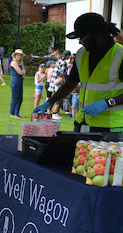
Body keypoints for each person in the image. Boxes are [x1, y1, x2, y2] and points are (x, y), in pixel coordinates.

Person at [34, 12, 123, 141]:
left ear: (96, 34)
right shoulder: (82, 54)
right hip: (83, 123)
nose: (80, 42)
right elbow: (70, 84)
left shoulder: (120, 55)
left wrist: (108, 102)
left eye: (82, 38)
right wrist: (49, 102)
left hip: (111, 128)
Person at [49, 49, 69, 119]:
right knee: (59, 98)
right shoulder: (63, 62)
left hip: (55, 81)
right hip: (59, 82)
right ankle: (54, 113)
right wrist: (61, 79)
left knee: (55, 97)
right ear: (67, 56)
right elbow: (61, 73)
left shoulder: (58, 61)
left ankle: (52, 111)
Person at [9, 48, 27, 118]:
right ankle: (12, 113)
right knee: (15, 97)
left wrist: (22, 68)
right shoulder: (14, 63)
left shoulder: (20, 63)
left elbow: (24, 72)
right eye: (18, 55)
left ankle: (17, 113)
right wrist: (22, 71)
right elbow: (20, 72)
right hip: (15, 80)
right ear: (15, 56)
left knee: (20, 98)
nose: (19, 57)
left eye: (20, 55)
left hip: (20, 80)